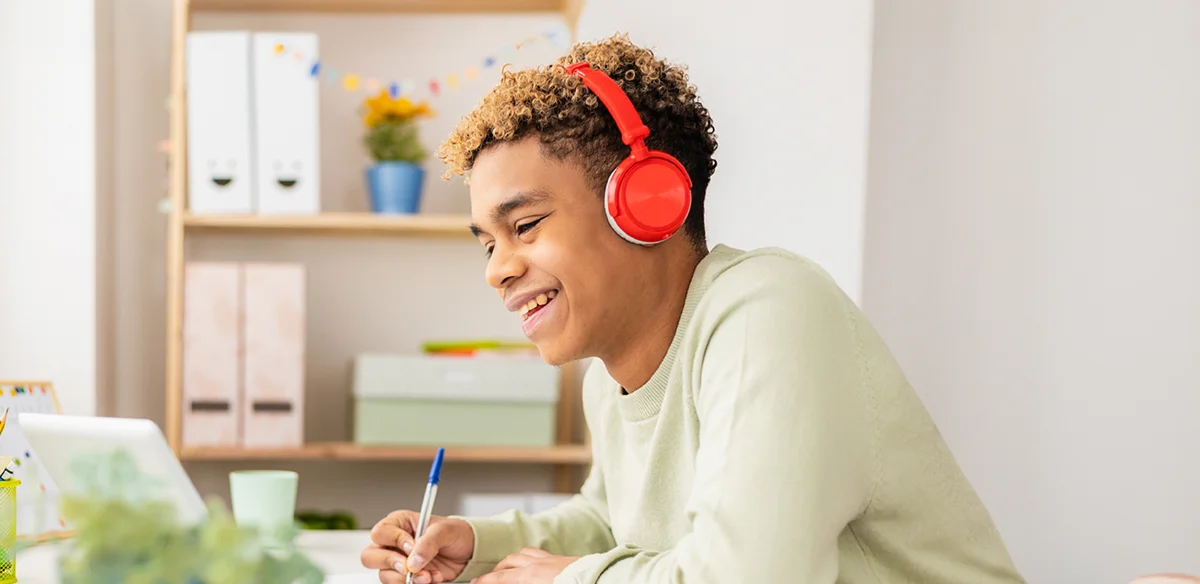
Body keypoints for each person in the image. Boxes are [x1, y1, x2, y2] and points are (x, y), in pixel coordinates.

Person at [360, 33, 1026, 584]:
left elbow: (745, 576)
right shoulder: (608, 379)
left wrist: (570, 579)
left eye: (526, 225)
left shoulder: (770, 310)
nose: (498, 269)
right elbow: (610, 519)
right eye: (488, 244)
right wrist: (477, 545)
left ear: (645, 206)